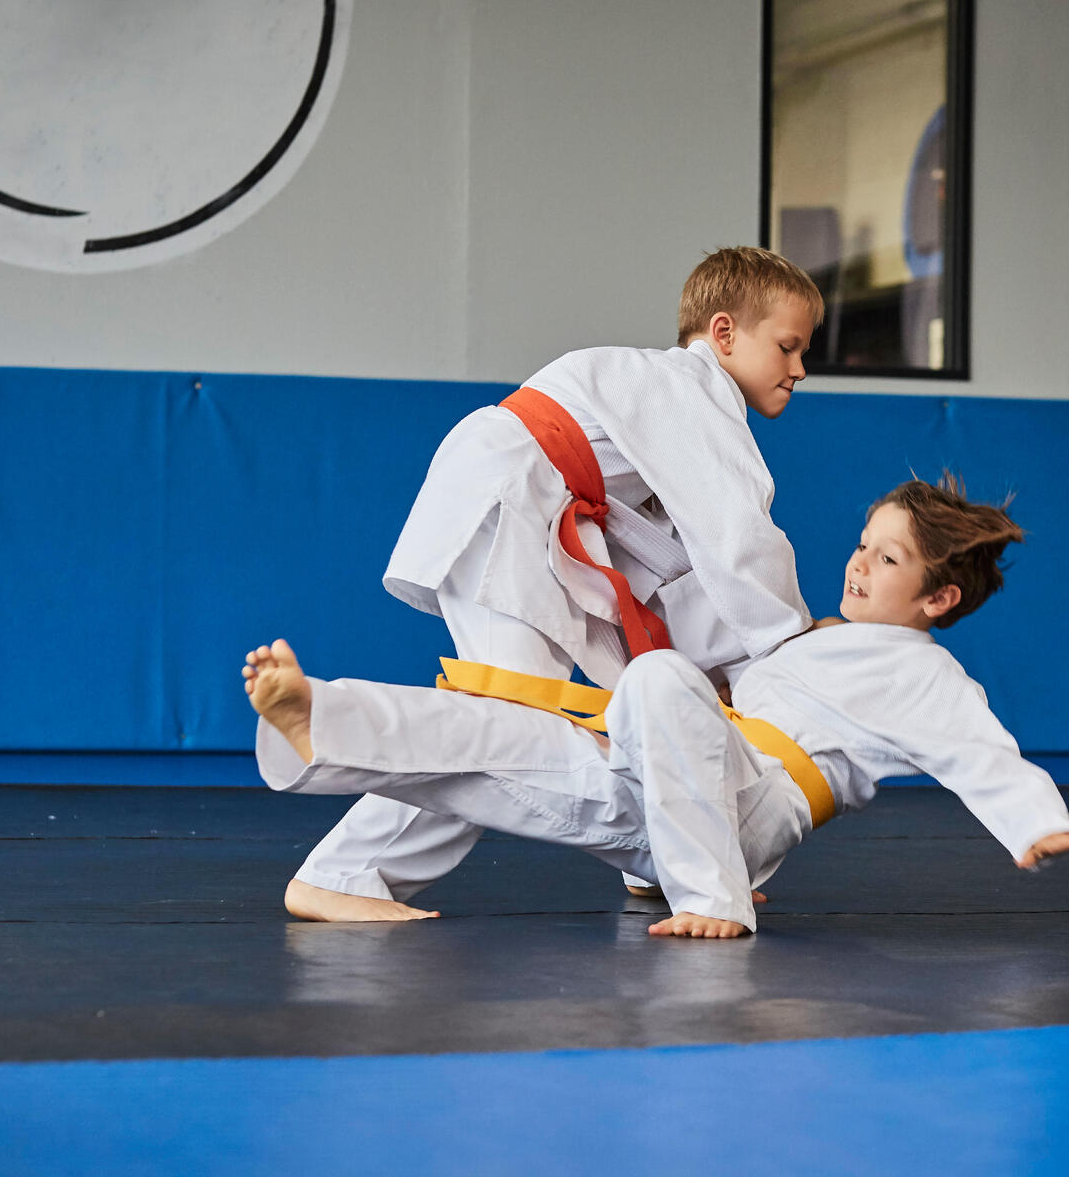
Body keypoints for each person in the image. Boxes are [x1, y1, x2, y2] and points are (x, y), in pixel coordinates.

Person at [245, 477, 1069, 938]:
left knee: (661, 679)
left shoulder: (921, 672)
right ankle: (321, 740)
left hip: (753, 808)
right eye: (861, 544)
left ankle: (713, 900)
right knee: (497, 734)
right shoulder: (809, 637)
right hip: (678, 792)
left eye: (887, 561)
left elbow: (981, 751)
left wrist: (1038, 822)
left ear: (939, 599)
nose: (858, 564)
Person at [287, 246, 829, 923]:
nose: (799, 369)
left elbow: (679, 573)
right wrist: (798, 652)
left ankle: (666, 854)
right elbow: (739, 538)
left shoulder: (657, 403)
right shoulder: (690, 391)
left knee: (565, 711)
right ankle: (347, 868)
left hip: (530, 509)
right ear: (724, 334)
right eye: (787, 347)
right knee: (509, 719)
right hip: (513, 497)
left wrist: (719, 675)